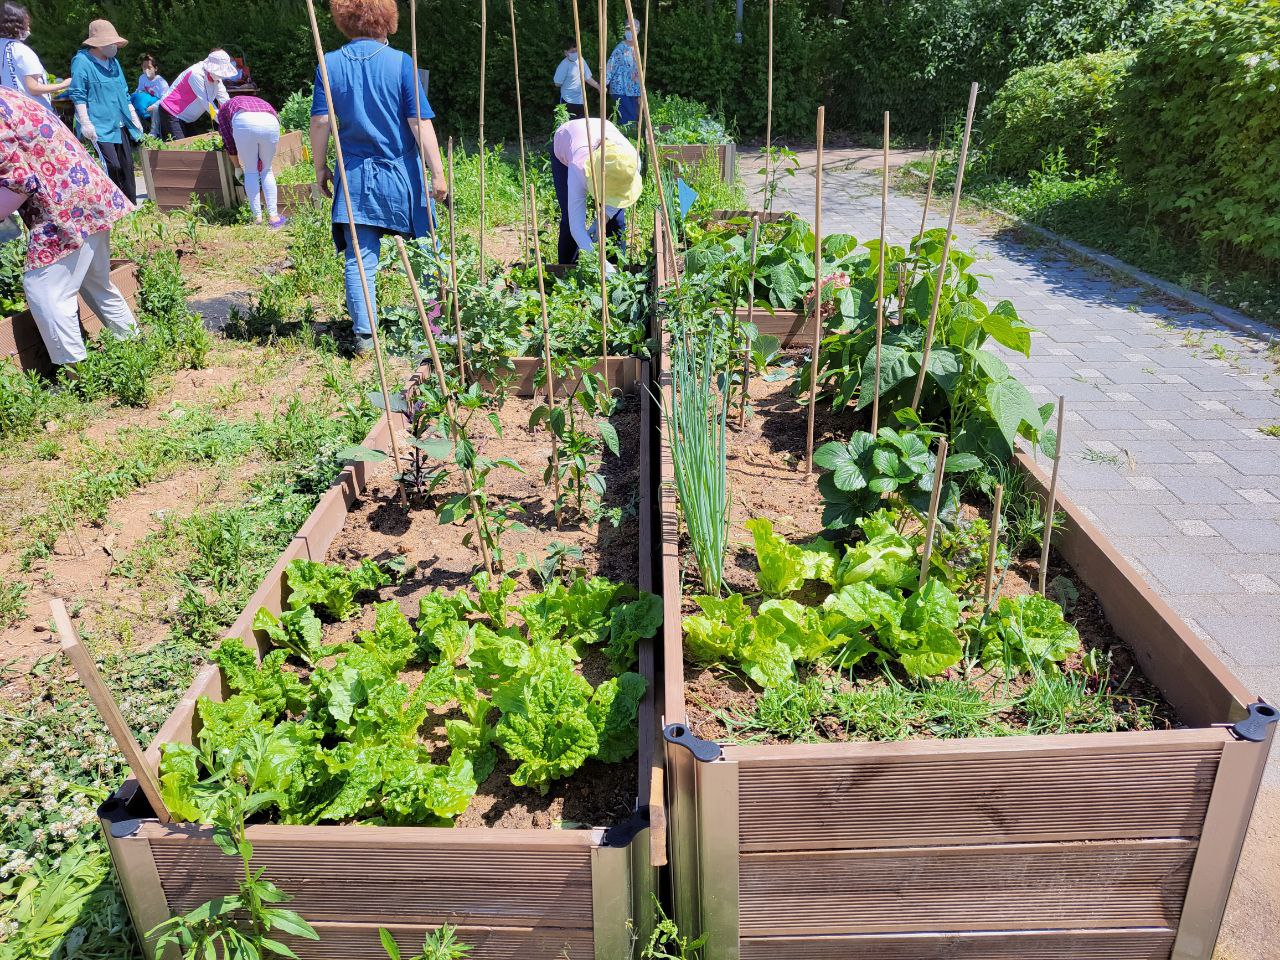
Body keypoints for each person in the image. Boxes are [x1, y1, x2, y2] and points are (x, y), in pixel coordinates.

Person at [310, 0, 447, 355]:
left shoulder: (329, 65)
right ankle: (437, 323)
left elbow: (322, 122)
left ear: (343, 20)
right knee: (426, 250)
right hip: (402, 173)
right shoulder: (402, 63)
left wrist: (320, 167)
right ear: (387, 19)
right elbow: (419, 122)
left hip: (354, 175)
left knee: (360, 256)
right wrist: (438, 172)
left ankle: (365, 336)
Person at [0, 86, 137, 368]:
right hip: (88, 193)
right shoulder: (6, 95)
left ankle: (74, 374)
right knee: (94, 281)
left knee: (43, 289)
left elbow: (19, 181)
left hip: (62, 204)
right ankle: (134, 345)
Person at [68, 20, 143, 203]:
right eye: (109, 43)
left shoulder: (114, 62)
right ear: (97, 43)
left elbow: (124, 92)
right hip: (99, 125)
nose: (113, 47)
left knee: (126, 166)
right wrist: (85, 122)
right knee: (112, 166)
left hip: (120, 122)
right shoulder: (82, 62)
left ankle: (130, 206)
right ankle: (113, 205)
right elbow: (78, 94)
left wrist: (134, 118)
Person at [551, 115, 641, 266]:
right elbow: (576, 227)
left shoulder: (631, 162)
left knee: (616, 221)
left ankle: (616, 266)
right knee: (568, 218)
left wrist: (603, 218)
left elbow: (621, 195)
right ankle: (568, 270)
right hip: (566, 141)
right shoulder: (578, 168)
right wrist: (601, 265)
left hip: (600, 129)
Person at [216, 95, 285, 227]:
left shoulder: (223, 110)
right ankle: (274, 217)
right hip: (270, 120)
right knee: (267, 169)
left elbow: (229, 142)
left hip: (244, 121)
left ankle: (257, 218)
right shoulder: (259, 100)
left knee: (251, 171)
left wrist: (237, 167)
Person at [0, 3, 69, 110]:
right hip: (33, 112)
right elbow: (33, 88)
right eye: (26, 24)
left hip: (11, 109)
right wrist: (64, 84)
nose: (28, 28)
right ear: (17, 25)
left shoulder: (2, 45)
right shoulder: (22, 51)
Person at [155, 49, 236, 141]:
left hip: (187, 118)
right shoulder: (196, 74)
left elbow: (225, 100)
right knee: (180, 149)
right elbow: (208, 104)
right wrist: (224, 123)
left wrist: (234, 118)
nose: (223, 75)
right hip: (171, 113)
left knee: (194, 148)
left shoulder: (217, 77)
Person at [605, 20, 641, 126]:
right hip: (621, 90)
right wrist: (603, 84)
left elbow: (637, 72)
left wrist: (640, 93)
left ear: (638, 31)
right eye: (627, 29)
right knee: (629, 119)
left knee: (633, 118)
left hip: (633, 90)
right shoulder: (620, 48)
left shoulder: (636, 48)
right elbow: (610, 67)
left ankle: (629, 139)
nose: (629, 32)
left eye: (632, 29)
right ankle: (626, 140)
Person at [552, 43, 598, 121]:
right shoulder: (563, 65)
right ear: (566, 53)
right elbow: (557, 83)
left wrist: (599, 87)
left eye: (576, 50)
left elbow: (587, 77)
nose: (575, 53)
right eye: (572, 51)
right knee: (567, 125)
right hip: (568, 101)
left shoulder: (581, 60)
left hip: (581, 100)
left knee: (581, 126)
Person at [132, 54, 168, 137]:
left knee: (155, 109)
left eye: (149, 67)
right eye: (144, 67)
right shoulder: (142, 77)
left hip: (158, 104)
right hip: (146, 102)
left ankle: (154, 132)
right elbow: (139, 90)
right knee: (133, 106)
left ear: (155, 68)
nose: (146, 70)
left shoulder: (161, 82)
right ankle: (138, 132)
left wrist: (154, 105)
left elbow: (165, 98)